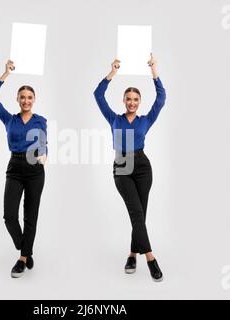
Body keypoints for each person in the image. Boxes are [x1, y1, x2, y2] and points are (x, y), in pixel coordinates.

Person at [93, 54, 166, 282]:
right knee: (136, 212)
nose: (132, 102)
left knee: (140, 215)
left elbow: (161, 98)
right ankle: (151, 258)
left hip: (143, 166)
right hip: (122, 166)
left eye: (135, 99)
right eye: (128, 99)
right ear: (124, 101)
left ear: (139, 102)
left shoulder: (146, 120)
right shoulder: (114, 119)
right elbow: (98, 95)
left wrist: (154, 70)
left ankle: (132, 254)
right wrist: (112, 73)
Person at [0, 60, 47, 278]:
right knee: (9, 216)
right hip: (14, 166)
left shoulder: (40, 120)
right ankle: (26, 249)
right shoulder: (9, 119)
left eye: (29, 97)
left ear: (34, 100)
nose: (26, 100)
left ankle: (22, 259)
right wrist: (5, 74)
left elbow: (43, 142)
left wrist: (44, 153)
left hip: (34, 168)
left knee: (30, 216)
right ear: (17, 99)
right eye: (22, 97)